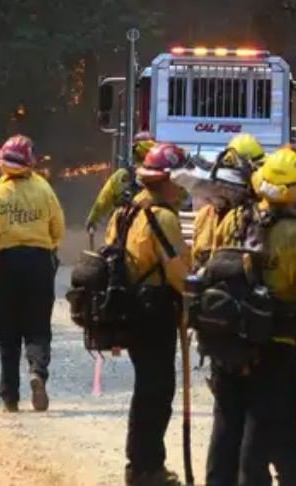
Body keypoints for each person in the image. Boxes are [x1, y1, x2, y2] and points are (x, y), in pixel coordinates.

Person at [202, 146, 296, 486]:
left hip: (229, 336)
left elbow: (211, 262)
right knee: (261, 420)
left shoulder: (234, 219)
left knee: (226, 420)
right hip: (276, 341)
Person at [107, 141, 190, 486]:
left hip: (129, 308)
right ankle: (147, 468)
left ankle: (139, 465)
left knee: (146, 388)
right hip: (155, 310)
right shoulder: (163, 218)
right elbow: (178, 272)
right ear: (168, 180)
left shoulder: (124, 212)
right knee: (157, 392)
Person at [0, 134, 65, 413]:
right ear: (29, 163)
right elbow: (58, 228)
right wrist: (47, 249)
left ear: (2, 163)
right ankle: (37, 371)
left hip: (6, 264)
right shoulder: (44, 189)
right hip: (39, 262)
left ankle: (10, 397)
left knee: (7, 332)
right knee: (38, 327)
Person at [192, 146, 255, 269]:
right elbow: (196, 254)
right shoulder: (205, 215)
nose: (221, 191)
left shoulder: (247, 218)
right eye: (218, 185)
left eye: (228, 187)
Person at [87, 133, 156, 237]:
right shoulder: (162, 177)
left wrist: (92, 219)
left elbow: (103, 200)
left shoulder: (121, 175)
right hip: (151, 235)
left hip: (121, 234)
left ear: (134, 152)